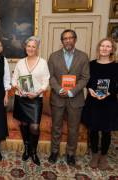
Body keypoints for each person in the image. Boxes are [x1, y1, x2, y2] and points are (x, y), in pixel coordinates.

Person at [48, 29, 90, 166]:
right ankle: (54, 151)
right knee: (56, 127)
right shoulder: (53, 56)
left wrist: (72, 91)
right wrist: (59, 89)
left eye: (71, 38)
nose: (68, 40)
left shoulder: (83, 57)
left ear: (75, 40)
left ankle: (71, 153)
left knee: (73, 128)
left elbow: (85, 78)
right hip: (57, 98)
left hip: (75, 98)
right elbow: (51, 76)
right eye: (65, 38)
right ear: (62, 41)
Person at [12, 36, 50, 166]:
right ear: (25, 47)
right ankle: (27, 148)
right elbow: (14, 80)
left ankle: (34, 152)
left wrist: (37, 92)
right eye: (29, 46)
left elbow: (46, 82)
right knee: (23, 124)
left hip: (35, 99)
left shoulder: (43, 62)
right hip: (21, 97)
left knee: (34, 127)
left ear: (37, 48)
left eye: (34, 46)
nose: (31, 48)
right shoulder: (20, 62)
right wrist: (18, 88)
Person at [82, 38, 118, 170]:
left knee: (106, 131)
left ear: (112, 49)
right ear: (99, 48)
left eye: (108, 46)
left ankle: (103, 156)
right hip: (93, 101)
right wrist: (90, 89)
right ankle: (95, 155)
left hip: (109, 103)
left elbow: (117, 86)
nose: (104, 48)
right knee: (94, 130)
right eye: (102, 46)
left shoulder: (116, 66)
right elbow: (86, 81)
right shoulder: (91, 64)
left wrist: (109, 92)